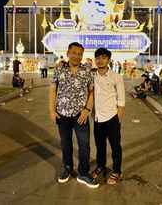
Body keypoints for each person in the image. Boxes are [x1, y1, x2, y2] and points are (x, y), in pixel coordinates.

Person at [49, 42, 99, 188]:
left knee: (84, 145)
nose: (77, 56)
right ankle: (68, 168)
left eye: (79, 54)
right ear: (68, 53)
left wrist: (87, 109)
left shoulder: (87, 71)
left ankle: (83, 173)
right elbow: (53, 90)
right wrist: (52, 110)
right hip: (62, 114)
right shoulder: (59, 70)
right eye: (74, 53)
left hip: (80, 114)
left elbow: (91, 92)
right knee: (65, 143)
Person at [91, 48, 125, 185]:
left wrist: (118, 118)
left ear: (109, 60)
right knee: (100, 145)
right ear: (95, 60)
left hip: (112, 117)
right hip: (97, 117)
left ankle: (117, 170)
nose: (100, 60)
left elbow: (121, 99)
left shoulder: (116, 77)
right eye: (98, 58)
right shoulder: (92, 76)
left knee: (115, 146)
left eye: (103, 57)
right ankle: (101, 166)